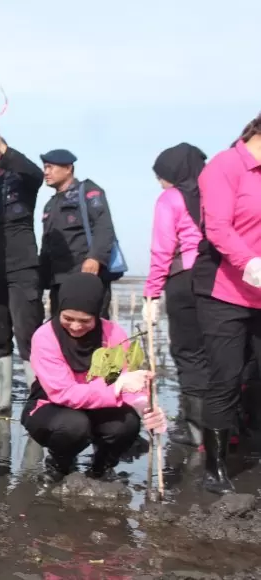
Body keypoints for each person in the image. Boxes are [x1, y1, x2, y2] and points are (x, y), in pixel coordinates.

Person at [21, 272, 165, 484]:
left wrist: (146, 406)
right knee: (74, 425)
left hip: (99, 405)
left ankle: (101, 467)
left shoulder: (113, 333)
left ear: (97, 315)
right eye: (68, 318)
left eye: (85, 321)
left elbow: (127, 380)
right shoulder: (45, 336)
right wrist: (118, 386)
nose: (76, 326)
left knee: (127, 424)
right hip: (51, 406)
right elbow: (64, 393)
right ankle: (61, 463)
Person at [192, 112, 261, 494]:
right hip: (226, 291)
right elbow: (217, 227)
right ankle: (214, 470)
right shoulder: (225, 166)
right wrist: (250, 262)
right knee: (227, 377)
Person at [143, 143, 210, 448]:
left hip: (185, 278)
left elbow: (162, 249)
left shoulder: (170, 199)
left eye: (162, 176)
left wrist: (152, 293)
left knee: (189, 352)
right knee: (221, 352)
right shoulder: (217, 193)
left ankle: (196, 430)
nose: (161, 182)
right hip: (220, 277)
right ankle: (229, 427)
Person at [0, 126, 46, 416]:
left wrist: (2, 146)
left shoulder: (20, 178)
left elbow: (36, 174)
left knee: (27, 331)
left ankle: (38, 398)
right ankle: (2, 400)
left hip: (22, 266)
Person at [39, 150, 119, 319]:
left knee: (92, 328)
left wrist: (95, 257)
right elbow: (47, 245)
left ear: (68, 168)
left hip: (86, 275)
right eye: (45, 167)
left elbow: (103, 226)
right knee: (61, 330)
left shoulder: (88, 191)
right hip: (59, 280)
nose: (46, 172)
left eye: (50, 167)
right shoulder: (50, 205)